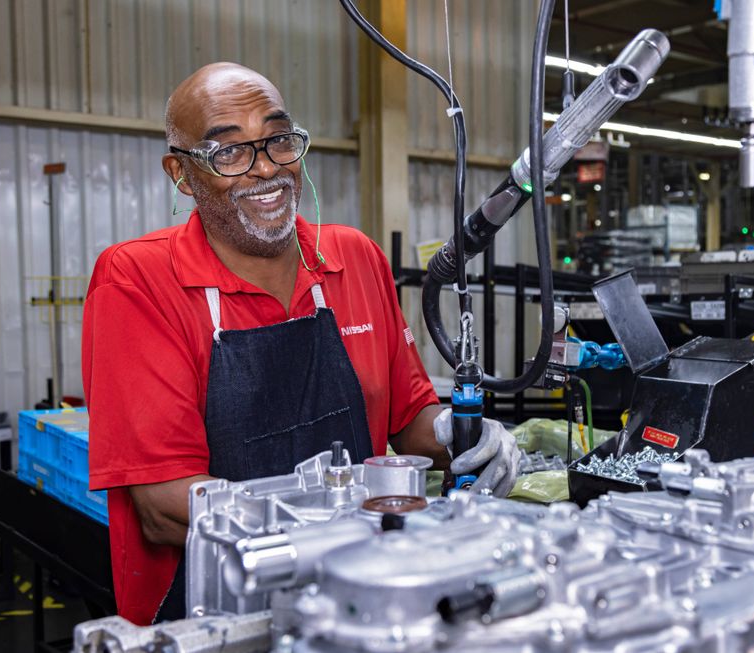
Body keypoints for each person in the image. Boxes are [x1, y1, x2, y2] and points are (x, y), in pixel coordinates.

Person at [82, 62, 520, 625]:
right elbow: (165, 508)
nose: (265, 169)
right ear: (182, 174)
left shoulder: (353, 257)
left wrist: (455, 433)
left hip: (362, 596)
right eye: (228, 152)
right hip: (217, 609)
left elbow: (407, 415)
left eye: (278, 140)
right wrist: (339, 524)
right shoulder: (138, 279)